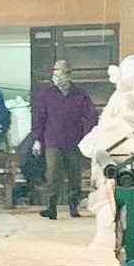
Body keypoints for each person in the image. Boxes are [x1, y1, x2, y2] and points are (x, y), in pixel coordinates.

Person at [30, 59, 98, 219]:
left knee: (74, 175)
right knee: (52, 174)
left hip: (74, 141)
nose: (58, 76)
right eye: (55, 73)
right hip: (52, 141)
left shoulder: (79, 95)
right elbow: (40, 118)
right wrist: (37, 139)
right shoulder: (47, 95)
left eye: (61, 73)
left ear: (68, 74)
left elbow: (91, 116)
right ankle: (51, 207)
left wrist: (90, 135)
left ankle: (73, 207)